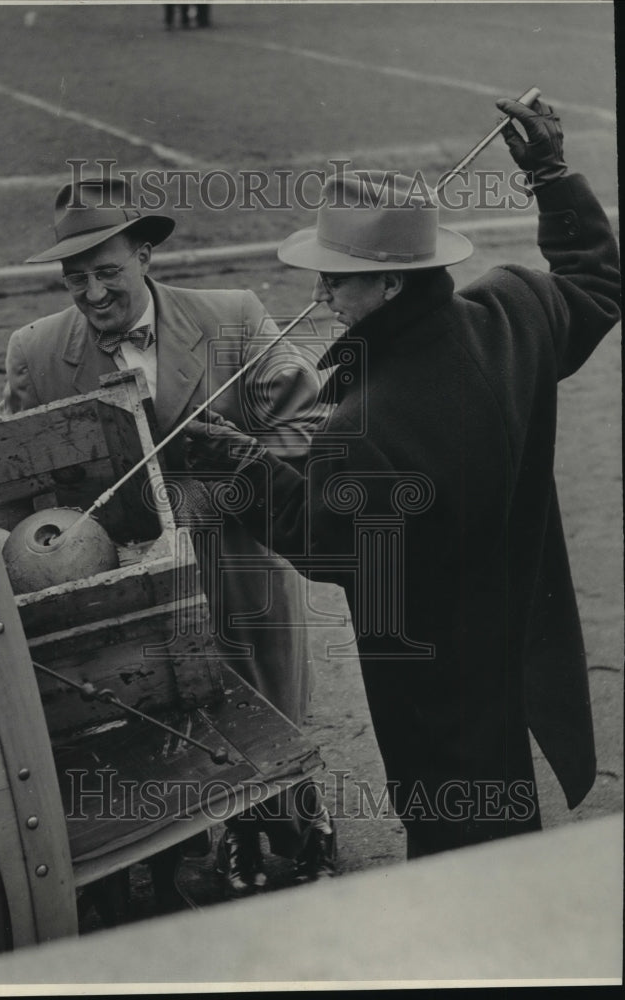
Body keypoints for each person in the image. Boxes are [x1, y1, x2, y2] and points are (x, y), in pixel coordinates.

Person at [185, 96, 620, 859]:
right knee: (500, 813)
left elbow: (323, 544)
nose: (318, 297)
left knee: (452, 836)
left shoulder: (364, 428)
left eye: (334, 280)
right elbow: (595, 281)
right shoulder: (511, 310)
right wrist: (549, 172)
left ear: (391, 284)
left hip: (427, 669)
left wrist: (237, 462)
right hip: (513, 621)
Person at [0, 175, 335, 898]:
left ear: (144, 255)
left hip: (234, 566)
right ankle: (192, 836)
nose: (92, 294)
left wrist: (232, 456)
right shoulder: (36, 350)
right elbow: (9, 470)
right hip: (125, 584)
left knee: (262, 702)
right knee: (155, 715)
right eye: (75, 278)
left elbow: (307, 431)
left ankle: (299, 827)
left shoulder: (234, 317)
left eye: (107, 272)